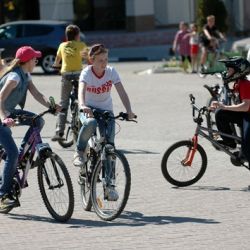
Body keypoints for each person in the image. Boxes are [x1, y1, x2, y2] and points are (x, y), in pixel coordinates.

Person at [0, 46, 61, 208]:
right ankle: (3, 196)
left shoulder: (25, 75)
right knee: (11, 153)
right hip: (1, 114)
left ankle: (24, 156)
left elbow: (36, 94)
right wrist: (4, 118)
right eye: (34, 58)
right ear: (27, 61)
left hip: (9, 112)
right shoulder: (14, 77)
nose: (37, 60)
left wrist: (51, 106)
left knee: (38, 121)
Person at [73, 44, 135, 201]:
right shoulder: (87, 72)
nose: (104, 63)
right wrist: (83, 105)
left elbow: (122, 92)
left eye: (106, 59)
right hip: (88, 110)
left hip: (106, 112)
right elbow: (81, 92)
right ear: (92, 60)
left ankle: (109, 187)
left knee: (110, 149)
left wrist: (129, 110)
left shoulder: (111, 72)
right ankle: (80, 150)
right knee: (91, 123)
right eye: (100, 60)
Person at [210, 57, 250, 165]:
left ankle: (245, 153)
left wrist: (225, 107)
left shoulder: (245, 84)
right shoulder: (237, 83)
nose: (226, 71)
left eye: (229, 69)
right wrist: (219, 105)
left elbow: (246, 106)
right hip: (244, 115)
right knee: (220, 114)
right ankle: (230, 142)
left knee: (247, 149)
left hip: (248, 115)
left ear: (239, 71)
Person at [51, 24, 87, 141]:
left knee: (63, 102)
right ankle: (85, 127)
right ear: (77, 36)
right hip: (78, 75)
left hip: (66, 75)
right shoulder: (81, 45)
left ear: (66, 36)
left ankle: (59, 132)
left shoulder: (62, 45)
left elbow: (57, 61)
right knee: (82, 100)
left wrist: (56, 66)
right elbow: (89, 59)